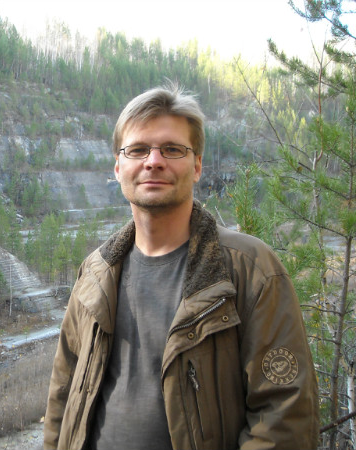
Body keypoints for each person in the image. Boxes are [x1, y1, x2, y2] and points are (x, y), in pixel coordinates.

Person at [43, 83, 320, 450]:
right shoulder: (96, 272)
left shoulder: (251, 270)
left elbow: (284, 417)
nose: (153, 161)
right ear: (118, 167)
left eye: (172, 149)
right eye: (138, 149)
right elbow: (63, 394)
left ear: (197, 165)